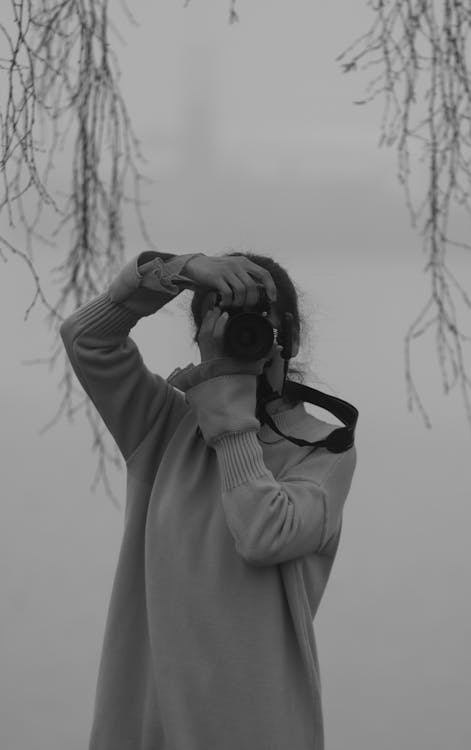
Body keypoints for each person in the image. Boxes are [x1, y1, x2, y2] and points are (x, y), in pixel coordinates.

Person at [60, 249, 357, 750]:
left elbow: (262, 534)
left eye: (258, 321)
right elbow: (86, 338)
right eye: (223, 317)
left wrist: (229, 408)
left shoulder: (323, 452)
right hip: (147, 724)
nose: (243, 334)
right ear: (202, 337)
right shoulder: (164, 427)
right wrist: (177, 271)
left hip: (251, 729)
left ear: (291, 337)